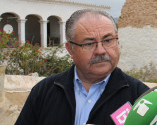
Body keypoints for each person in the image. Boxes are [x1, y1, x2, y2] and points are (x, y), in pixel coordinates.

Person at [15, 9, 149, 125]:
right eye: (89, 43)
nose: (100, 51)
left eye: (108, 40)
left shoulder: (141, 97)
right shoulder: (43, 92)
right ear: (70, 49)